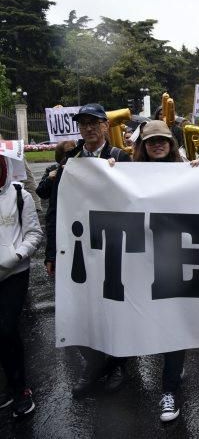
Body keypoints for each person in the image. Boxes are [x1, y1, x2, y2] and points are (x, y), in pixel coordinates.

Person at [107, 120, 199, 422]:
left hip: (175, 258)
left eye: (163, 140)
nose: (157, 145)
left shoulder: (187, 172)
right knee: (147, 318)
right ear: (143, 146)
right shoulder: (128, 174)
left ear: (171, 143)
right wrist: (108, 172)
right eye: (151, 141)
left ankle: (169, 389)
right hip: (139, 261)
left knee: (174, 322)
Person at [42, 104, 132, 397]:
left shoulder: (119, 157)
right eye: (84, 123)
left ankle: (118, 363)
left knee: (115, 308)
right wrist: (51, 253)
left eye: (94, 123)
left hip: (113, 246)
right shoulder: (70, 161)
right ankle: (95, 365)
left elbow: (138, 200)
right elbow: (55, 208)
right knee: (78, 309)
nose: (89, 128)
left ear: (106, 126)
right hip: (79, 246)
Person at [0, 155, 43, 419]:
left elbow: (34, 234)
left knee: (6, 328)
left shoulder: (19, 195)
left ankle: (20, 389)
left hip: (14, 273)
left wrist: (17, 255)